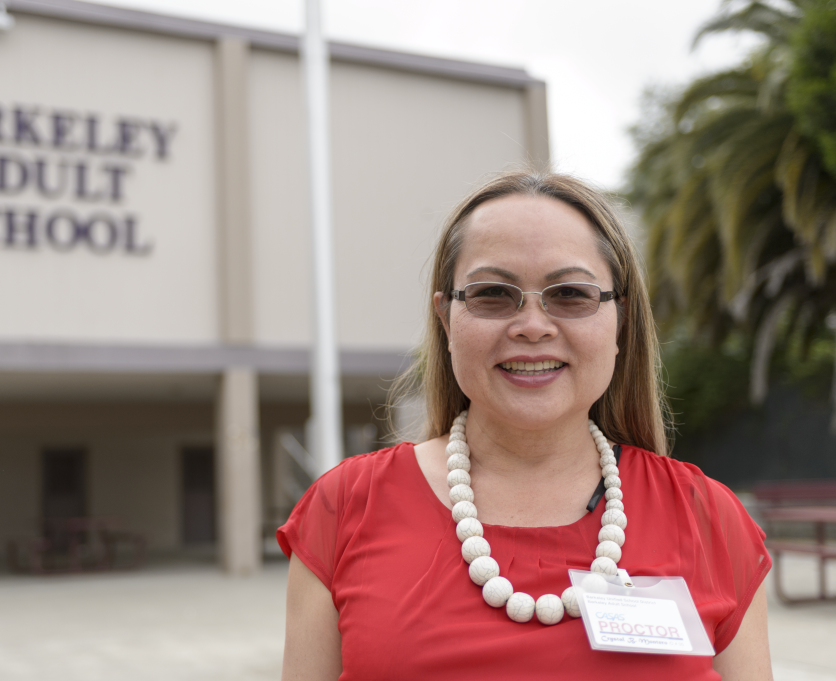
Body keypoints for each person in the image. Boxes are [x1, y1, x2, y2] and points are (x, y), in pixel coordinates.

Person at [278, 170, 772, 680]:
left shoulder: (709, 518)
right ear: (447, 320)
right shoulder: (343, 508)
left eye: (570, 294)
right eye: (493, 292)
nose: (532, 326)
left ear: (619, 319)